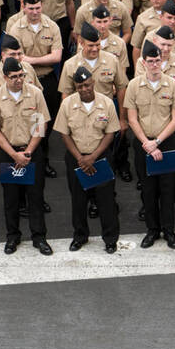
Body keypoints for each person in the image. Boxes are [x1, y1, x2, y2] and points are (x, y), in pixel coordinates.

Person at [0, 55, 53, 256]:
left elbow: (40, 124)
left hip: (31, 151)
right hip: (9, 153)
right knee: (11, 199)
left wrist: (28, 152)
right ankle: (12, 236)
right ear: (5, 77)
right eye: (14, 76)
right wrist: (14, 154)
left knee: (36, 197)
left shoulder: (34, 94)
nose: (19, 79)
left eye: (21, 75)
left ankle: (39, 237)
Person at [125, 41, 175, 249]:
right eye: (150, 61)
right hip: (143, 143)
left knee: (168, 190)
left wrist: (157, 142)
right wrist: (147, 143)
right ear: (143, 62)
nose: (154, 65)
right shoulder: (134, 86)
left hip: (166, 143)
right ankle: (152, 230)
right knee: (148, 190)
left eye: (158, 60)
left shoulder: (173, 85)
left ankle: (169, 231)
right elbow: (132, 119)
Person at [56, 66, 121, 253]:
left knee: (106, 201)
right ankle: (80, 236)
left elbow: (110, 133)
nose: (84, 89)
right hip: (76, 159)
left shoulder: (107, 103)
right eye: (79, 86)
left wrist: (92, 157)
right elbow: (64, 134)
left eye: (86, 85)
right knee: (78, 200)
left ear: (93, 83)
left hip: (100, 158)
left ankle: (110, 238)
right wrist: (80, 158)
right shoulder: (67, 104)